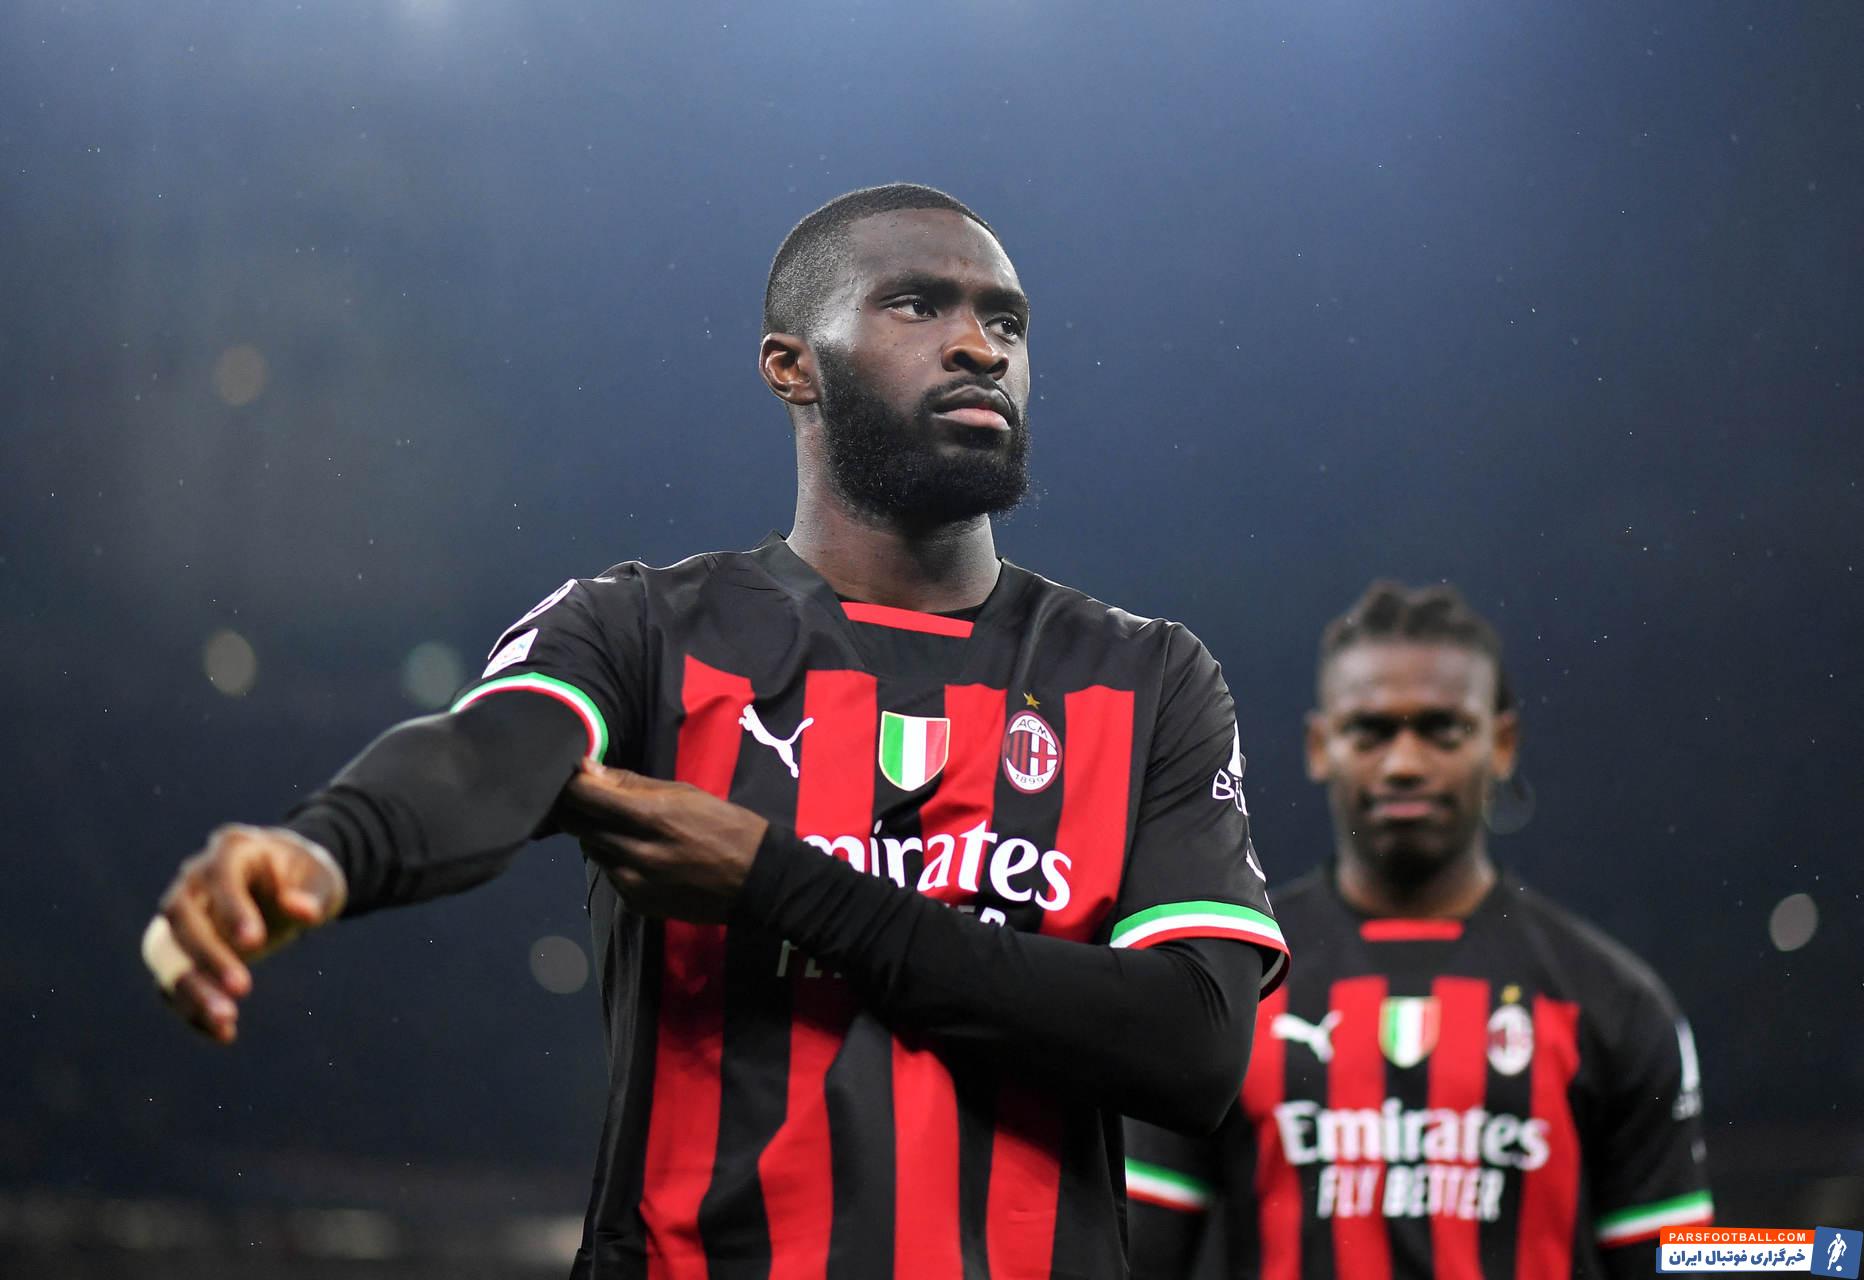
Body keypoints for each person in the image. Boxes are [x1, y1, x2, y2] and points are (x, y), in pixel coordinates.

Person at [143, 183, 1290, 1279]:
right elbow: (483, 758)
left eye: (1006, 322)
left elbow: (1192, 1044)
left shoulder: (1145, 674)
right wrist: (326, 844)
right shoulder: (647, 629)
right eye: (916, 305)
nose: (980, 347)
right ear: (792, 365)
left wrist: (776, 882)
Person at [1124, 582, 1712, 1279]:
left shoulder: (1613, 1001)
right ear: (1320, 745)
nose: (1404, 763)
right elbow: (1135, 1258)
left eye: (1442, 730)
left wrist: (1817, 1256)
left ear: (1501, 743)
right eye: (1370, 731)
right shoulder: (1228, 980)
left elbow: (1682, 1262)